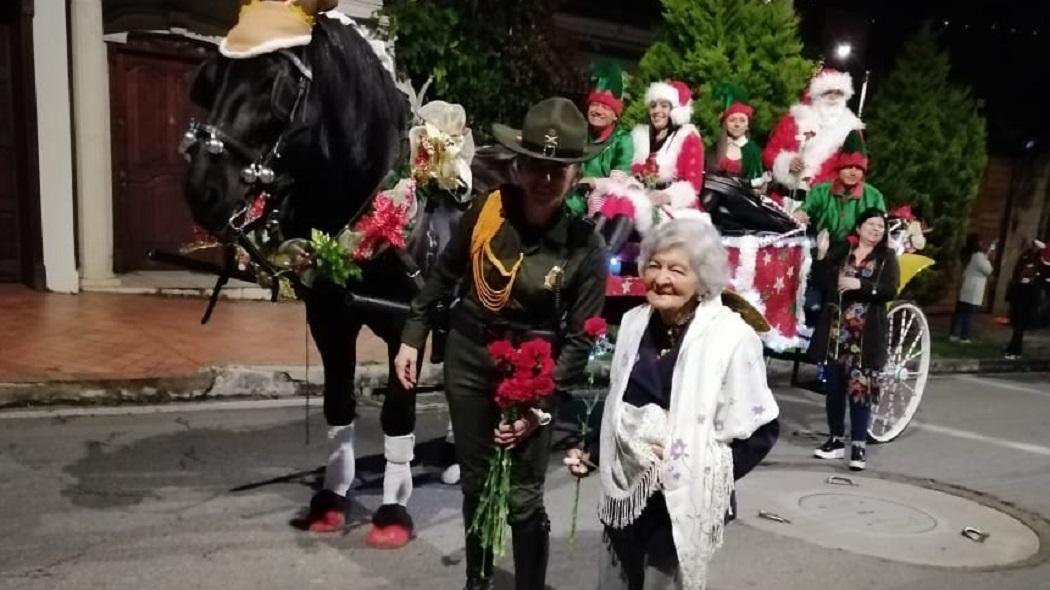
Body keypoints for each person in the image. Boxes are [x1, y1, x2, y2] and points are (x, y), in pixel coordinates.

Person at [394, 97, 607, 590]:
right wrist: (413, 334)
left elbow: (578, 340)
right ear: (519, 163)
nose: (546, 178)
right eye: (536, 164)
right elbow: (444, 275)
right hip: (469, 357)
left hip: (533, 374)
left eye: (559, 168)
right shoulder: (488, 211)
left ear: (576, 174)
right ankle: (478, 582)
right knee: (475, 482)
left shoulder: (583, 245)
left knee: (522, 497)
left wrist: (541, 409)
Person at [564, 218, 780, 590]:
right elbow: (620, 399)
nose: (662, 278)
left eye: (677, 270)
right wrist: (591, 451)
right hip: (627, 492)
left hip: (681, 500)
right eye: (654, 265)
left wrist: (696, 463)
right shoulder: (634, 322)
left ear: (703, 278)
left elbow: (762, 429)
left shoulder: (733, 337)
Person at [809, 209, 899, 471]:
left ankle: (858, 445)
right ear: (859, 228)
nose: (876, 230)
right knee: (834, 388)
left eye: (880, 226)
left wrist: (862, 286)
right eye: (870, 224)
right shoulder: (843, 252)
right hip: (838, 331)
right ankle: (836, 439)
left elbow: (890, 289)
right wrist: (823, 255)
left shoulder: (886, 258)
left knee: (860, 391)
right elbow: (823, 281)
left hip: (865, 334)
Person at [763, 67, 866, 201]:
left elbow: (856, 170)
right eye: (828, 92)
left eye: (838, 93)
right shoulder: (794, 119)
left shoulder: (851, 129)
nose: (834, 97)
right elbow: (770, 152)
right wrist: (786, 163)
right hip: (782, 199)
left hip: (823, 204)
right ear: (817, 94)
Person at [568, 60, 635, 217]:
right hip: (571, 195)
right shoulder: (577, 131)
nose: (598, 111)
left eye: (605, 107)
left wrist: (592, 181)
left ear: (615, 115)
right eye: (594, 105)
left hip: (601, 204)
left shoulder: (622, 140)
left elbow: (618, 184)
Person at [793, 152, 886, 246]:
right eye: (848, 167)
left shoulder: (874, 196)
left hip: (859, 248)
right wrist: (800, 214)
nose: (853, 173)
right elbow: (806, 208)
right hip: (821, 246)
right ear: (839, 170)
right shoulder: (821, 191)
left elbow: (881, 226)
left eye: (858, 168)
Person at [707, 101, 769, 191]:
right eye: (732, 120)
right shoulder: (715, 148)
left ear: (747, 125)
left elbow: (759, 183)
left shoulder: (753, 151)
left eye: (742, 121)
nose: (737, 125)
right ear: (725, 124)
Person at [1004, 240, 1050, 359]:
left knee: (1020, 326)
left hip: (1028, 297)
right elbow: (1017, 274)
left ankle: (1014, 350)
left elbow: (1043, 277)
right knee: (1018, 326)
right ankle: (1013, 350)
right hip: (1021, 295)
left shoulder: (1039, 263)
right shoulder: (1026, 260)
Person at [950, 234, 994, 343]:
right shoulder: (978, 256)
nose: (982, 244)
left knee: (960, 312)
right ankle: (964, 337)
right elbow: (988, 270)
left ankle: (953, 334)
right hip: (973, 289)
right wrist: (988, 258)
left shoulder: (968, 254)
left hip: (966, 286)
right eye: (980, 241)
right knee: (968, 314)